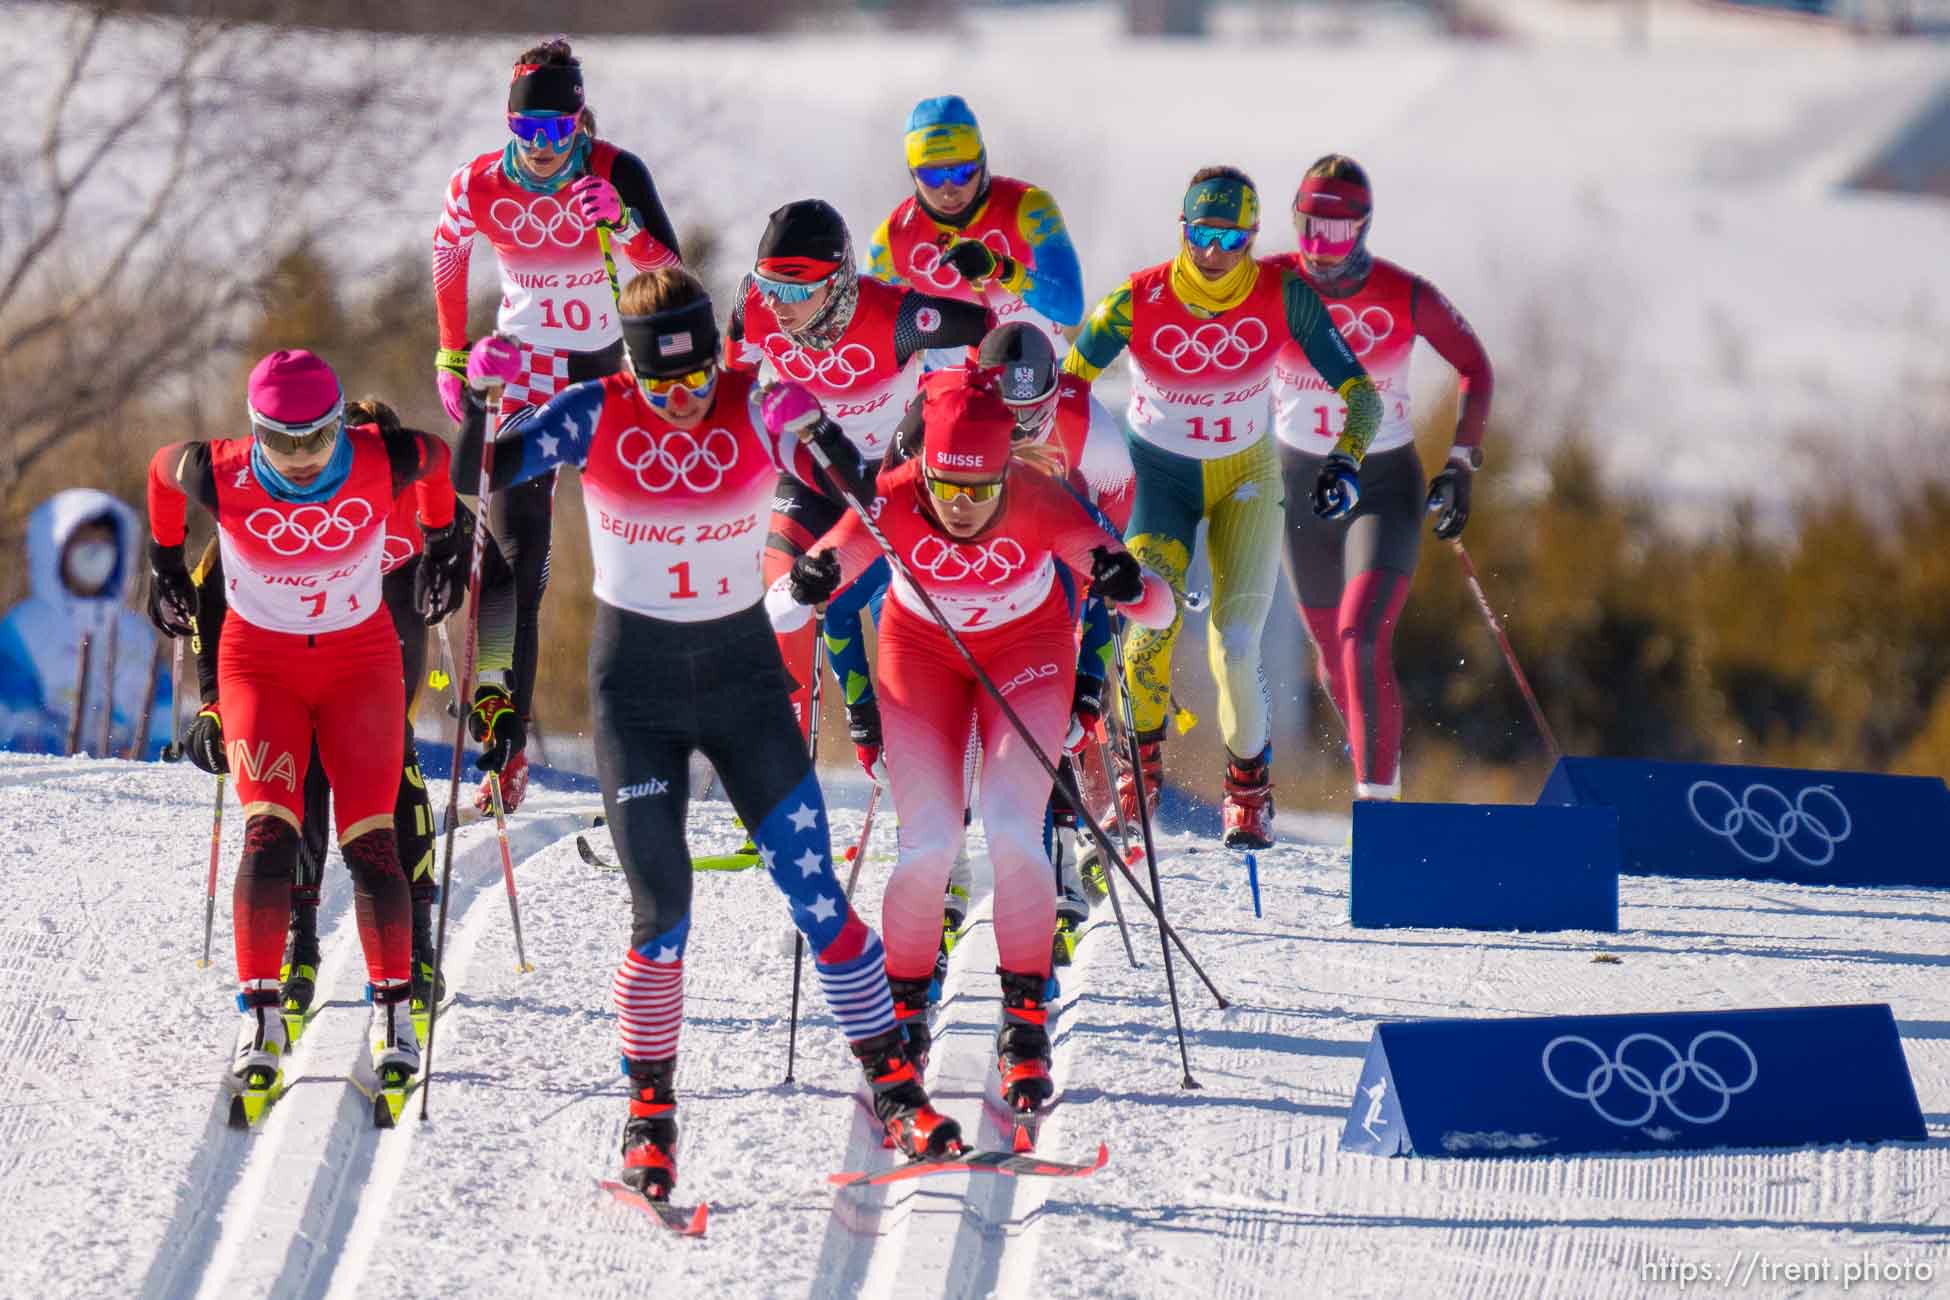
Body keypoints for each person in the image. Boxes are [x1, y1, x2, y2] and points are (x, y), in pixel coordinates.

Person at [464, 266, 959, 1195]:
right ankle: (649, 1116)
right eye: (666, 386)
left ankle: (897, 1091)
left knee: (817, 899)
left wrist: (823, 433)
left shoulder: (754, 396)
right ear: (635, 371)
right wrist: (482, 403)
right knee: (663, 915)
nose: (687, 402)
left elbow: (860, 494)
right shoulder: (592, 409)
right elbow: (473, 478)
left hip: (741, 688)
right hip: (636, 697)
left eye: (699, 381)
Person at [772, 364, 1172, 1113]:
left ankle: (1024, 1029)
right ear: (920, 468)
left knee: (1015, 831)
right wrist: (804, 583)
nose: (960, 507)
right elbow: (777, 616)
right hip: (920, 659)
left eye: (980, 491)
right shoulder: (889, 503)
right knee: (927, 845)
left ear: (1004, 474)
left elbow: (1159, 613)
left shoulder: (1044, 500)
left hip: (1029, 653)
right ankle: (903, 1016)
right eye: (945, 489)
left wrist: (1128, 583)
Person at [145, 350, 466, 1097]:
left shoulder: (385, 457)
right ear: (255, 430)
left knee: (372, 839)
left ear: (338, 422)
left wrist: (443, 540)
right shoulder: (217, 469)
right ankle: (259, 1016)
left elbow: (440, 457)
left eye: (314, 439)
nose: (297, 457)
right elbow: (161, 471)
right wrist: (165, 561)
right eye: (279, 441)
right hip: (262, 668)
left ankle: (392, 1015)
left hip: (361, 666)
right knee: (269, 831)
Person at [1063, 165, 1383, 849]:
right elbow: (1063, 389)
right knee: (1148, 636)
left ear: (1251, 237)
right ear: (1183, 230)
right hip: (1159, 483)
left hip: (1244, 481)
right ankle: (1138, 772)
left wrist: (1347, 459)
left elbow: (1362, 393)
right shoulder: (1137, 299)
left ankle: (1248, 790)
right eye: (1201, 234)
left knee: (1235, 646)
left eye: (1229, 238)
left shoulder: (1283, 292)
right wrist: (1063, 469)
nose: (1212, 253)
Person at [176, 400, 510, 1035]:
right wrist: (214, 701)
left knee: (389, 780)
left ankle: (413, 946)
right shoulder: (294, 494)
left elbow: (496, 578)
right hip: (289, 664)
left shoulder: (414, 492)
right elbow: (210, 585)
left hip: (376, 669)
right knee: (294, 784)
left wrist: (492, 684)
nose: (355, 484)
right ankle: (298, 945)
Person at [432, 36, 682, 815]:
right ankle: (501, 754)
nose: (542, 150)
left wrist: (626, 228)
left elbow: (673, 279)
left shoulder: (613, 170)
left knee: (642, 563)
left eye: (557, 133)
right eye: (527, 134)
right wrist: (449, 355)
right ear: (510, 128)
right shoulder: (479, 182)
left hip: (611, 375)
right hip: (529, 375)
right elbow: (447, 251)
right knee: (513, 564)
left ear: (579, 122)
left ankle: (669, 748)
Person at [848, 323, 1136, 967]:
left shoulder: (1087, 419)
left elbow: (1116, 514)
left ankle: (1049, 849)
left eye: (1035, 417)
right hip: (945, 562)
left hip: (1042, 550)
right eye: (1008, 415)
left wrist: (1090, 669)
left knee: (1050, 676)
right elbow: (886, 508)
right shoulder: (934, 409)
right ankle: (937, 866)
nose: (1022, 431)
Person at [724, 198, 995, 744]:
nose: (779, 305)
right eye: (770, 286)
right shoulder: (752, 308)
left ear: (837, 281)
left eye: (797, 291)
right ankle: (780, 779)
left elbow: (985, 329)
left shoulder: (895, 318)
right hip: (810, 473)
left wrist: (953, 412)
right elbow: (733, 384)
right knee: (782, 594)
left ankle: (910, 741)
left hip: (889, 482)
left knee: (892, 614)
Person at [1268, 155, 1494, 802]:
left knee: (1359, 637)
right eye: (1309, 228)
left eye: (1337, 234)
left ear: (1363, 229)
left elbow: (1473, 363)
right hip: (1298, 488)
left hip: (1382, 485)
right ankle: (1373, 767)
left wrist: (1460, 463)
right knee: (1334, 660)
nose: (1320, 248)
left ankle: (1378, 811)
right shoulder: (1270, 283)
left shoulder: (1403, 292)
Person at [866, 95, 1084, 362]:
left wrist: (1002, 269)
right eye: (931, 176)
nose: (948, 190)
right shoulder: (893, 238)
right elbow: (868, 335)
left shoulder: (1029, 208)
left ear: (982, 162)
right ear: (912, 173)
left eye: (962, 172)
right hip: (952, 392)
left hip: (1042, 375)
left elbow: (1070, 308)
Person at [0, 489, 172, 759]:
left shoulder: (136, 632)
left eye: (104, 542)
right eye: (83, 541)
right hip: (50, 781)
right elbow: (14, 714)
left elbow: (162, 710)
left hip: (133, 781)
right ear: (54, 549)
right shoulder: (23, 629)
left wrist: (153, 757)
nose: (95, 552)